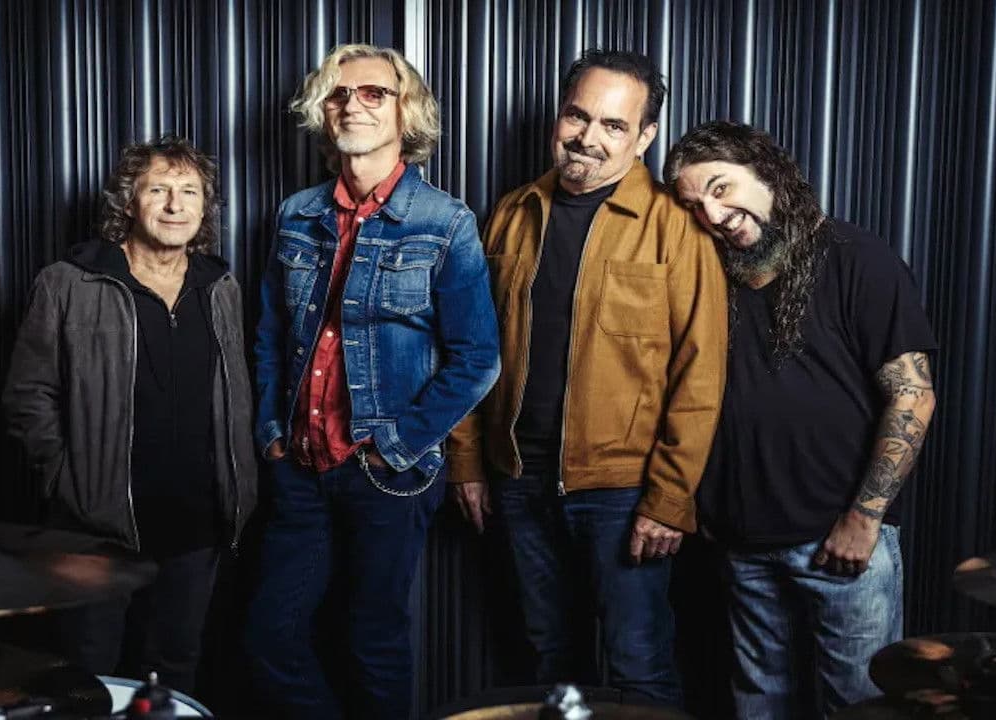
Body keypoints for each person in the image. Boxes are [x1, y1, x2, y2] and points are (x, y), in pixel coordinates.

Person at [448, 49, 728, 707]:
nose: (588, 138)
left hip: (623, 493)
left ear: (645, 137)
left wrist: (669, 499)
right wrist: (466, 460)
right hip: (519, 481)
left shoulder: (676, 229)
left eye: (614, 125)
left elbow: (701, 375)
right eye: (578, 116)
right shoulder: (513, 213)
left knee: (639, 668)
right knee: (548, 665)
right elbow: (468, 346)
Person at [244, 44, 501, 719]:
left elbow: (478, 357)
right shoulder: (295, 214)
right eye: (338, 93)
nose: (352, 104)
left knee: (372, 642)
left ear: (405, 112)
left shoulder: (445, 222)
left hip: (386, 472)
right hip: (301, 466)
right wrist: (272, 431)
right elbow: (270, 334)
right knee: (269, 636)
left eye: (373, 92)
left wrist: (396, 443)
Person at [664, 120, 938, 719]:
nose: (712, 215)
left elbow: (913, 396)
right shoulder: (709, 278)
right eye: (693, 206)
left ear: (766, 171)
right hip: (742, 549)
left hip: (839, 546)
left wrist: (864, 518)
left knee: (861, 709)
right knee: (758, 708)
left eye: (720, 187)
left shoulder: (857, 259)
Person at [3, 135, 258, 693]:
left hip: (197, 521)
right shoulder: (70, 282)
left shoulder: (220, 286)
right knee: (89, 671)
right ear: (128, 201)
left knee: (175, 669)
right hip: (97, 527)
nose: (175, 205)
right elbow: (28, 396)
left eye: (190, 191)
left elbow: (237, 393)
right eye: (158, 189)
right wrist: (68, 482)